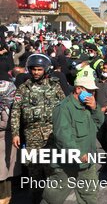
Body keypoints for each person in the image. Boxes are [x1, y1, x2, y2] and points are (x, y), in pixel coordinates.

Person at [10, 54, 65, 204]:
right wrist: (15, 133)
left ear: (45, 70)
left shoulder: (54, 86)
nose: (36, 72)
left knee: (52, 172)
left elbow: (65, 109)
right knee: (34, 173)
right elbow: (15, 112)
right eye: (33, 69)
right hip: (31, 135)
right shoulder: (23, 89)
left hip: (51, 135)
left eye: (39, 69)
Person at [42, 76, 104, 204]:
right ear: (78, 89)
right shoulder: (63, 108)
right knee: (53, 198)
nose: (93, 94)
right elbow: (63, 136)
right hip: (67, 164)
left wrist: (95, 108)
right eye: (90, 90)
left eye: (94, 91)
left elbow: (98, 124)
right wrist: (78, 154)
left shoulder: (88, 106)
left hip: (87, 162)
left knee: (90, 197)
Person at [0, 80, 18, 204]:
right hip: (8, 141)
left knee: (4, 173)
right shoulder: (12, 107)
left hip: (8, 141)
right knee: (4, 173)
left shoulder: (9, 108)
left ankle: (5, 198)